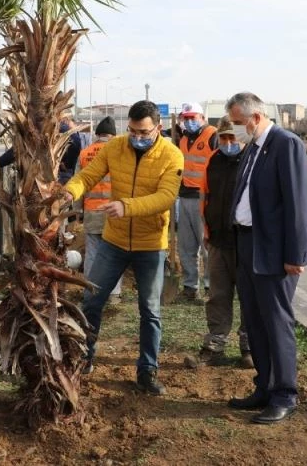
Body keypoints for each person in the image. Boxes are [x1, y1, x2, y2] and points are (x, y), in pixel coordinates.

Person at [225, 92, 307, 424]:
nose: (235, 129)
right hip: (248, 243)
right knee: (254, 319)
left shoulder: (286, 144)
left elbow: (298, 204)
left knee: (276, 320)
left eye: (238, 123)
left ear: (256, 118)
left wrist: (295, 254)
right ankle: (265, 386)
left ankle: (285, 394)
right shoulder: (252, 148)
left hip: (274, 249)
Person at [63, 100, 184, 395]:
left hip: (150, 245)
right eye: (132, 130)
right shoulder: (115, 147)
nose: (137, 137)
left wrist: (125, 206)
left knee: (150, 310)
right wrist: (68, 192)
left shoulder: (172, 155)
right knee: (92, 300)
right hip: (114, 241)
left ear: (158, 128)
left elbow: (166, 197)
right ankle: (84, 357)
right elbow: (88, 175)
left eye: (144, 132)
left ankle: (147, 370)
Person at [195, 116, 252, 368]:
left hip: (246, 242)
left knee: (249, 296)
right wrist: (206, 231)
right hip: (218, 241)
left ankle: (249, 348)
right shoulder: (213, 160)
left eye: (233, 137)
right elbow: (205, 198)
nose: (228, 143)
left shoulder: (253, 161)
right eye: (224, 138)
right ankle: (215, 347)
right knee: (218, 296)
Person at [76, 116, 123, 304]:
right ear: (113, 135)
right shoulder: (119, 153)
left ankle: (91, 291)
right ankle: (113, 294)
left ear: (97, 134)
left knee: (92, 254)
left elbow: (78, 183)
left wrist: (78, 212)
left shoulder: (85, 153)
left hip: (92, 211)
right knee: (115, 253)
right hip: (115, 212)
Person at [176, 102, 218, 301]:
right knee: (186, 246)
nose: (189, 121)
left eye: (193, 118)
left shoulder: (212, 136)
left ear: (202, 118)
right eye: (186, 118)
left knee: (206, 245)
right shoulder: (183, 139)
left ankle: (211, 287)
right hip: (184, 196)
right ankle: (190, 287)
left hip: (204, 198)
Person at [59, 113, 82, 185]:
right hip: (65, 170)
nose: (75, 126)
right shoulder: (68, 131)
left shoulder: (60, 129)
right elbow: (76, 145)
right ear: (67, 120)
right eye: (73, 123)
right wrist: (67, 164)